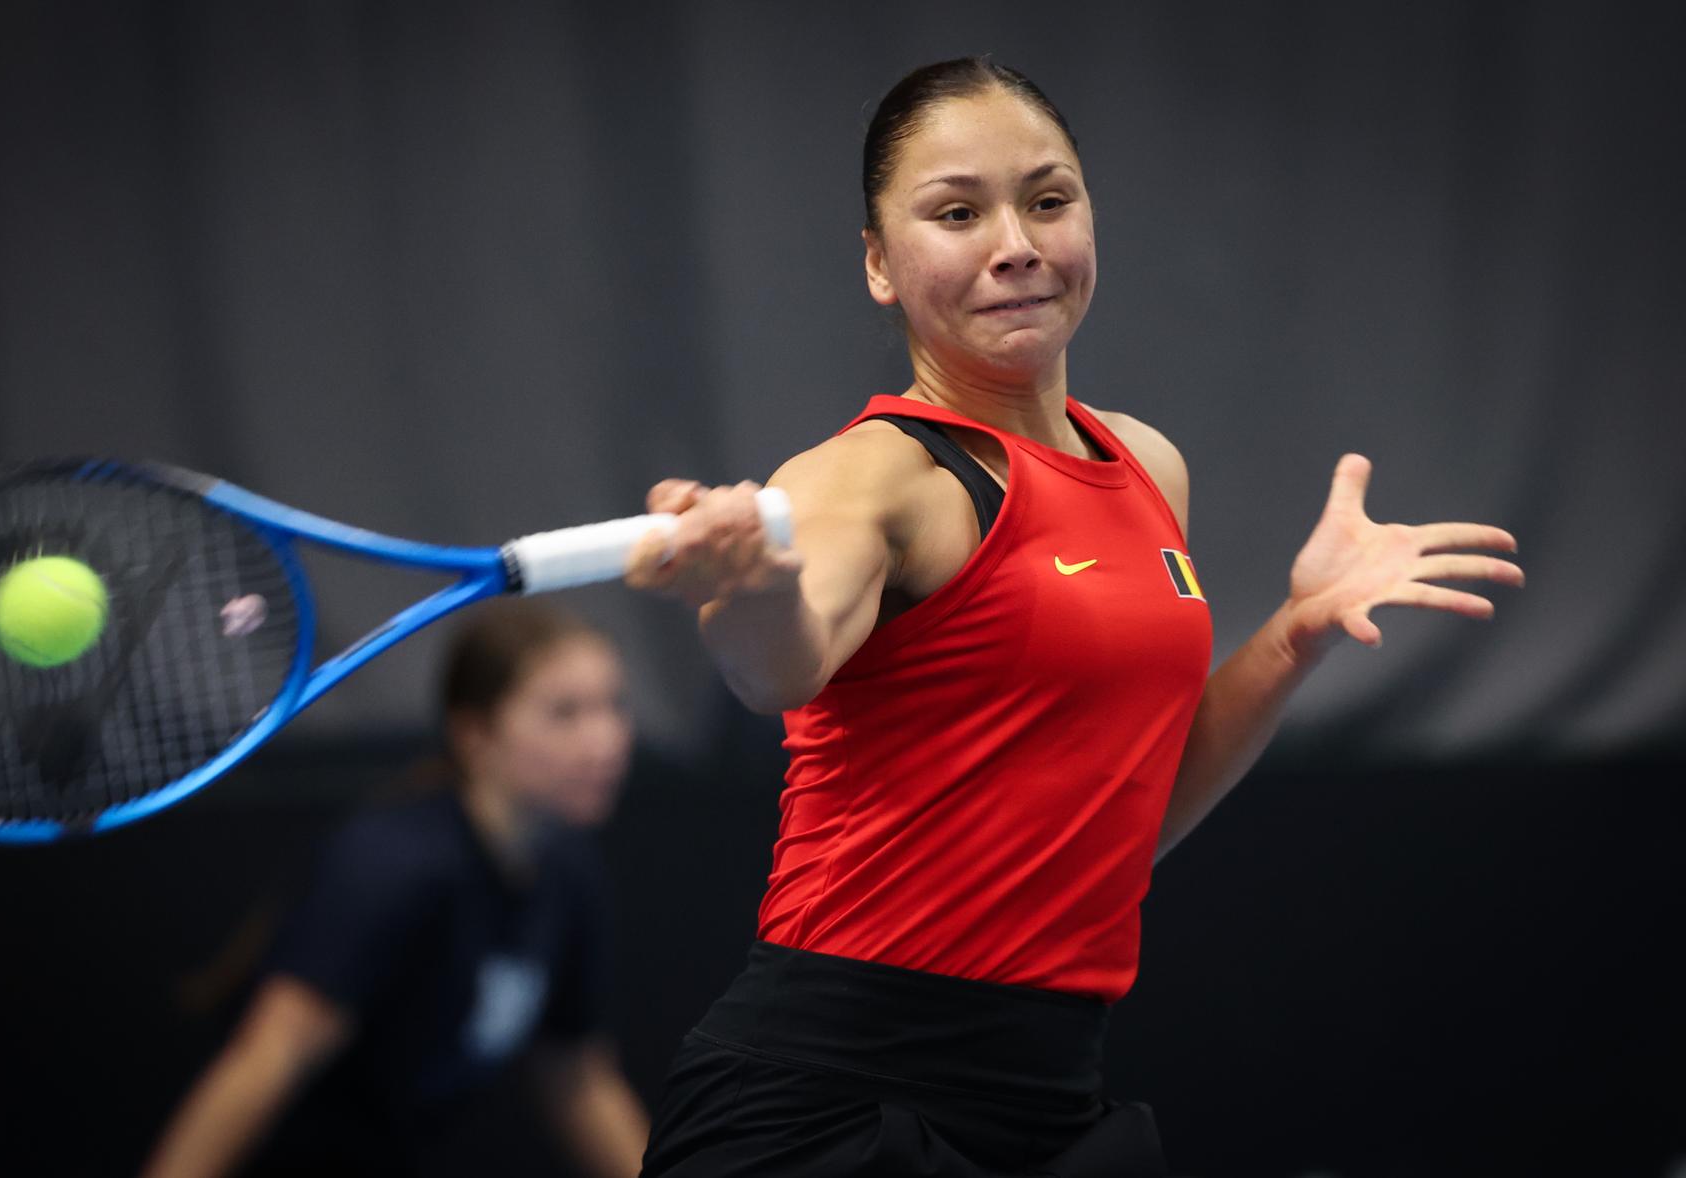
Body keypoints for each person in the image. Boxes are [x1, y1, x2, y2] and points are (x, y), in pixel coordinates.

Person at [622, 57, 1523, 1177]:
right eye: (957, 212)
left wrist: (1295, 632)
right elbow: (779, 666)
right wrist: (751, 579)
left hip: (1049, 1092)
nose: (1016, 242)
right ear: (878, 263)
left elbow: (1126, 819)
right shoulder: (870, 475)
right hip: (828, 1092)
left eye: (1048, 199)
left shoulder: (1145, 464)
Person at [141, 601, 651, 1178]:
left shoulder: (565, 868)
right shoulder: (396, 867)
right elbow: (265, 1061)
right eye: (565, 713)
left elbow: (578, 1079)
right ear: (475, 733)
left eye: (614, 706)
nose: (605, 741)